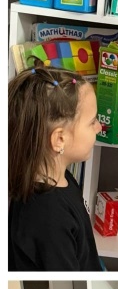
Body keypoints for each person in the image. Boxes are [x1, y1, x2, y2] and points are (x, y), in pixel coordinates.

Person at [9, 65, 103, 271]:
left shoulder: (63, 179)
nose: (99, 127)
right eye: (92, 122)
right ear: (59, 139)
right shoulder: (47, 217)